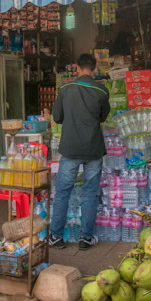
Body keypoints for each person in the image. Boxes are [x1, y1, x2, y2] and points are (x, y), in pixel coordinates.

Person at [49, 53, 111, 250]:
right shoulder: (101, 90)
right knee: (90, 193)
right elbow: (103, 116)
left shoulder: (65, 89)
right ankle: (86, 238)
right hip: (93, 148)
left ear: (77, 68)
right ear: (94, 69)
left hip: (70, 148)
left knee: (62, 193)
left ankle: (56, 237)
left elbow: (57, 117)